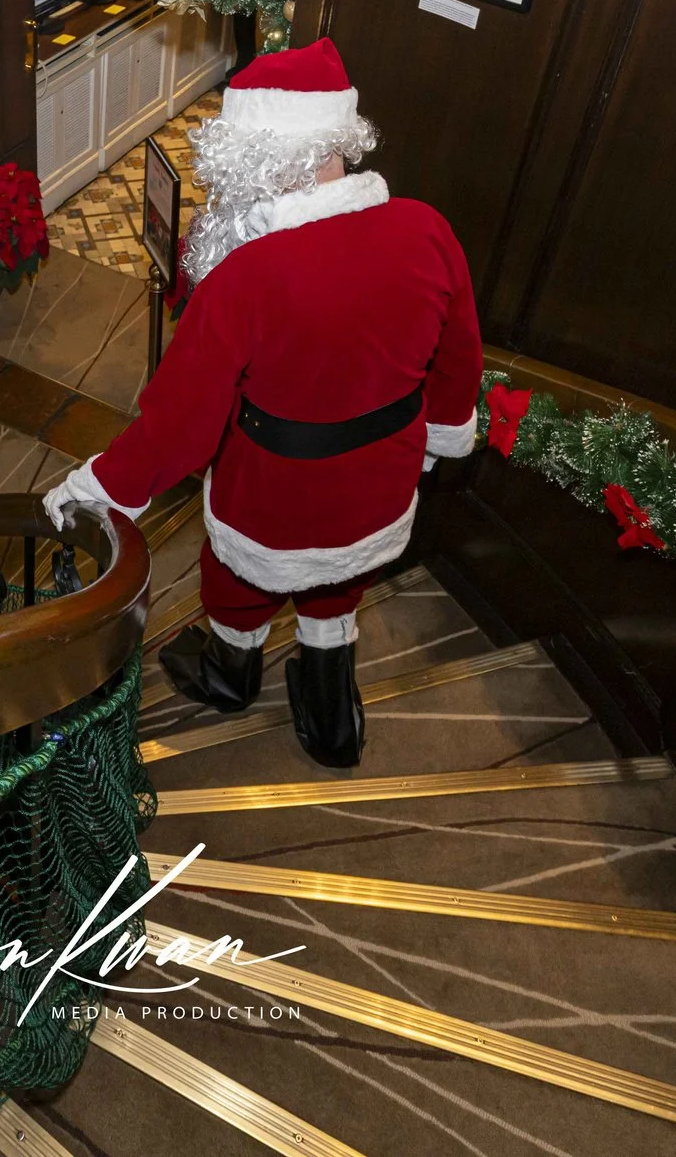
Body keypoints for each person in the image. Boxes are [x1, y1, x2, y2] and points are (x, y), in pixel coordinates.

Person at [42, 38, 482, 767]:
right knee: (341, 579)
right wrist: (437, 441)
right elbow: (459, 360)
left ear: (261, 156)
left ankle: (231, 672)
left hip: (274, 498)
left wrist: (95, 488)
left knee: (240, 582)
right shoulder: (427, 229)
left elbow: (178, 431)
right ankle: (332, 711)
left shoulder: (245, 278)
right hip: (382, 481)